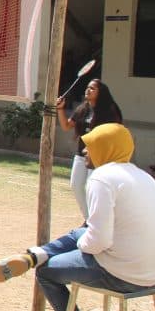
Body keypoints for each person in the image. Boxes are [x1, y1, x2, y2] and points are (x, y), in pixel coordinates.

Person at [0, 123, 155, 311]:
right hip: (150, 274)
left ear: (105, 148)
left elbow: (98, 241)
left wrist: (82, 245)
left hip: (122, 274)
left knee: (46, 272)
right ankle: (35, 254)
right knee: (83, 230)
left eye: (91, 146)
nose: (85, 152)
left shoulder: (102, 178)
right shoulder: (145, 178)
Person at [56, 78, 122, 218]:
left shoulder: (110, 110)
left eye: (92, 88)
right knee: (76, 185)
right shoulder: (83, 109)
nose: (88, 90)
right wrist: (61, 109)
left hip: (99, 157)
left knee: (93, 189)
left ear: (101, 92)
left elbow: (116, 132)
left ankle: (96, 220)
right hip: (82, 155)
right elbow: (66, 126)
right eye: (87, 87)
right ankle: (88, 219)